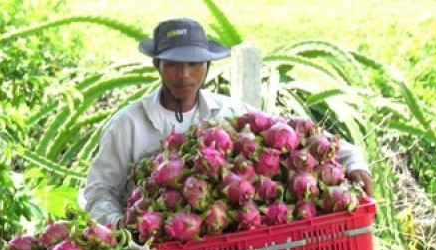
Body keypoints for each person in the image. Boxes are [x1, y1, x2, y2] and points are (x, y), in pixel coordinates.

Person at [81, 18, 374, 228]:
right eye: (173, 64)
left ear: (208, 66)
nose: (185, 75)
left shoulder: (231, 112)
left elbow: (298, 136)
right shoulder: (127, 125)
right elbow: (98, 190)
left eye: (195, 64)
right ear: (156, 65)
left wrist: (354, 161)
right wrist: (120, 225)